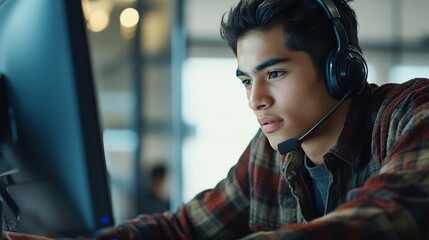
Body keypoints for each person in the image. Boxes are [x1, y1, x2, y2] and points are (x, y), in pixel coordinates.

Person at [5, 0, 429, 239]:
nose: (255, 100)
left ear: (342, 69)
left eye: (274, 74)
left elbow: (395, 213)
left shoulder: (409, 111)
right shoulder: (269, 155)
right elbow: (184, 229)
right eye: (246, 80)